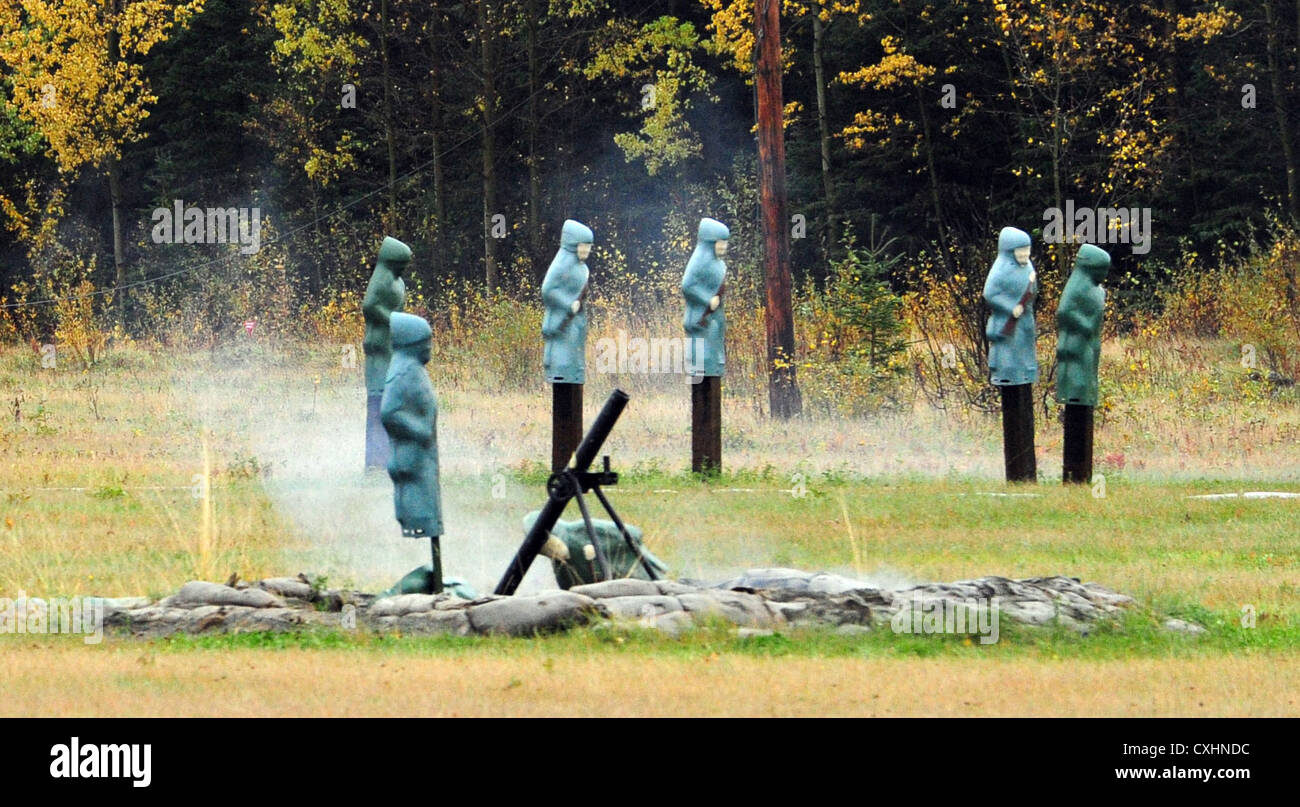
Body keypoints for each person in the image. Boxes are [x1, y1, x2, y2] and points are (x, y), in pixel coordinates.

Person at [380, 312, 444, 592]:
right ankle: (435, 580)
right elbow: (389, 411)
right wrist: (419, 431)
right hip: (413, 456)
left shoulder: (411, 367)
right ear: (411, 343)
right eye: (425, 342)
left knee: (428, 505)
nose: (429, 347)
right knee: (420, 504)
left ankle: (439, 575)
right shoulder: (404, 371)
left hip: (420, 455)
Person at [541, 220, 593, 384]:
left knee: (574, 361)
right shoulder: (560, 266)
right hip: (560, 322)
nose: (586, 250)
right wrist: (567, 304)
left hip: (576, 322)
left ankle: (574, 377)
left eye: (588, 246)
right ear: (573, 245)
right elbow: (547, 290)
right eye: (583, 245)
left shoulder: (582, 268)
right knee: (562, 360)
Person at [681, 218, 729, 377]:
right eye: (720, 242)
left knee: (714, 356)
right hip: (700, 318)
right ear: (710, 244)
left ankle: (714, 370)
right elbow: (687, 285)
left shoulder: (718, 263)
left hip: (714, 319)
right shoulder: (699, 261)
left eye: (725, 242)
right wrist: (706, 300)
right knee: (702, 359)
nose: (724, 246)